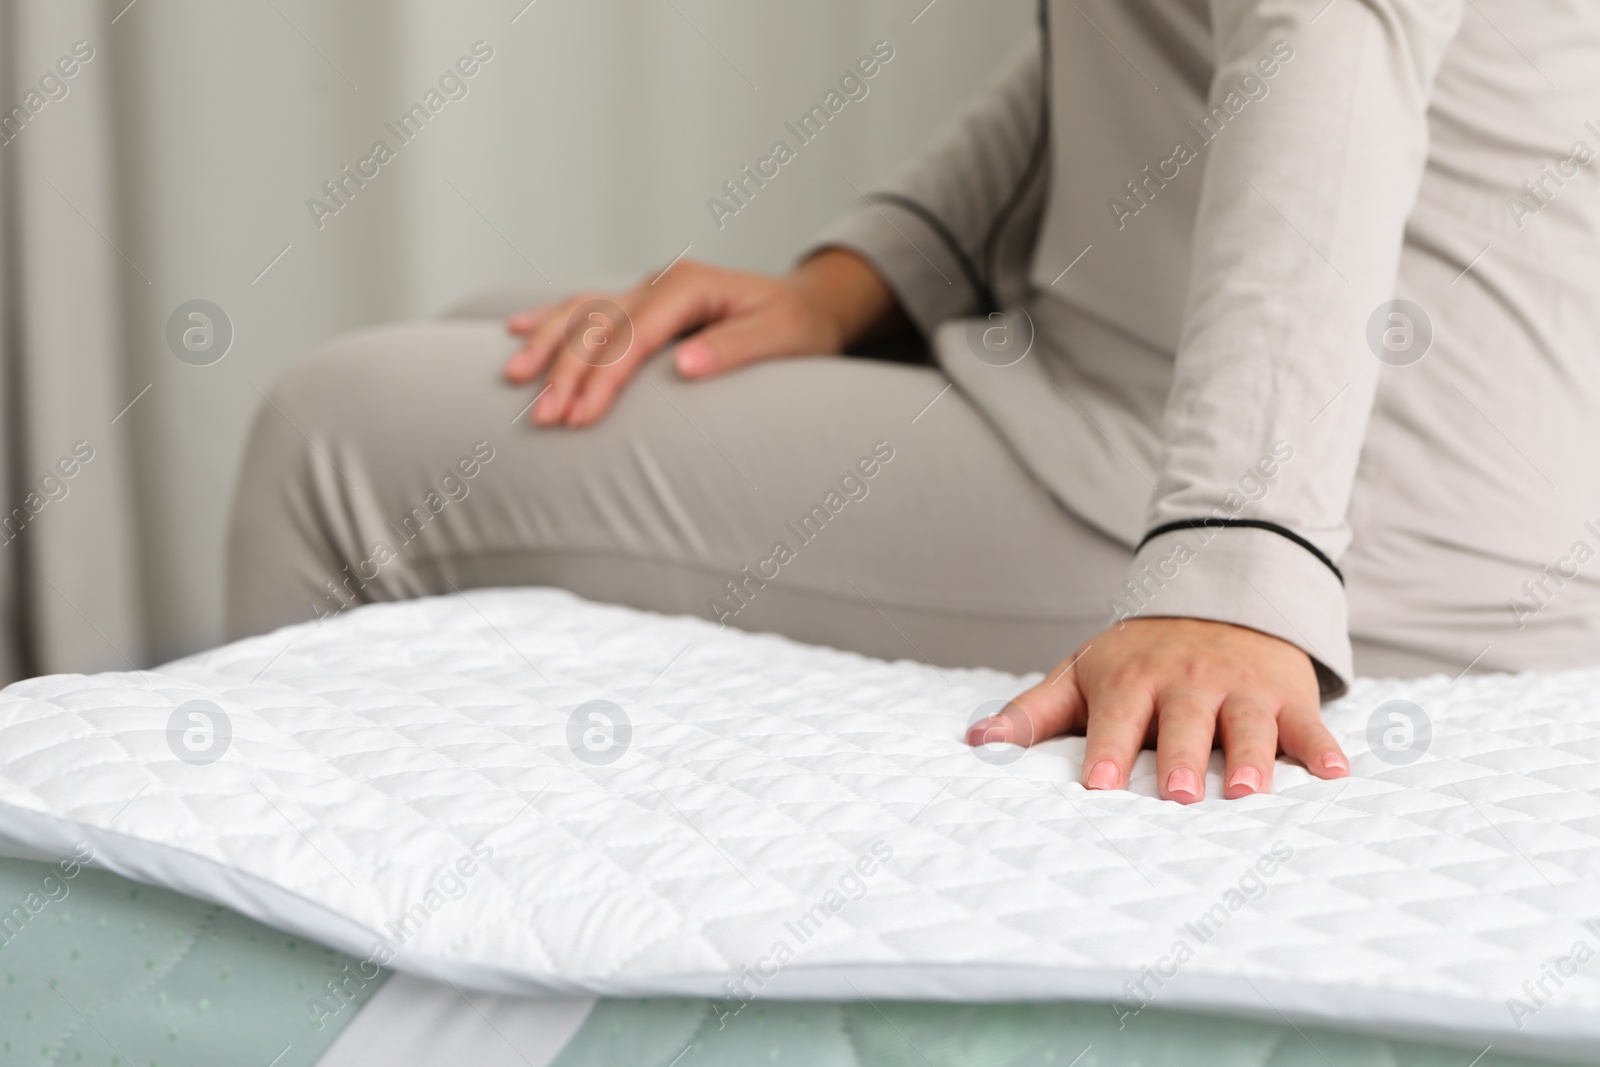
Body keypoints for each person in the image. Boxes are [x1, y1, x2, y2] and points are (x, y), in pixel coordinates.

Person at [228, 0, 1600, 803]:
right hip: (1236, 415)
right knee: (495, 339)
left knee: (333, 439)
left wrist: (1241, 574)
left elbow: (1327, 36)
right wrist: (857, 282)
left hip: (1363, 506)